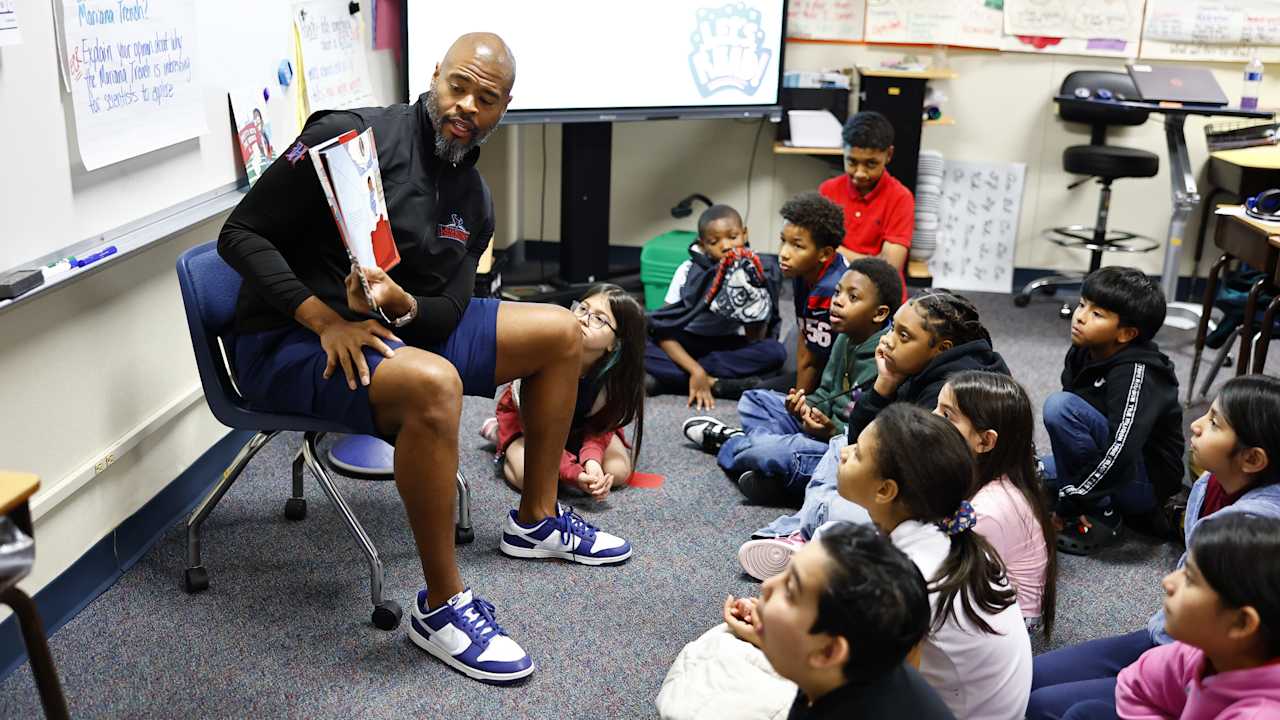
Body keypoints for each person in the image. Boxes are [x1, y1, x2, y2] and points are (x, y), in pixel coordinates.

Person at [218, 33, 632, 684]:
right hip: (292, 338)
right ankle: (441, 608)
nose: (466, 106)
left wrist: (403, 302)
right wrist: (324, 318)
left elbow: (449, 309)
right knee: (435, 384)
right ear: (434, 75)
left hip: (387, 328)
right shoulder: (347, 137)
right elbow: (238, 234)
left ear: (504, 108)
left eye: (485, 99)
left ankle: (537, 520)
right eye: (457, 86)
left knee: (561, 331)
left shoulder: (474, 199)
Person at [1027, 374, 1280, 720]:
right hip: (1177, 643)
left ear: (1251, 459)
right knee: (1029, 680)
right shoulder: (1211, 483)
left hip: (1210, 651)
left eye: (1214, 423)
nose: (1195, 425)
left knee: (1047, 707)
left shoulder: (1255, 532)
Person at [836, 404, 1033, 720]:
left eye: (857, 453)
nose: (844, 453)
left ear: (885, 490)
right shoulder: (953, 536)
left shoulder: (906, 579)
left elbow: (879, 689)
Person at [682, 258, 903, 505]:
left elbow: (867, 439)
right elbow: (825, 392)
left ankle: (737, 444)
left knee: (771, 450)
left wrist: (831, 431)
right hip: (818, 431)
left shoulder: (885, 361)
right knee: (754, 400)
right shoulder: (845, 336)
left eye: (853, 297)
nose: (838, 301)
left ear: (879, 313)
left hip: (842, 449)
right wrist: (806, 407)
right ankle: (764, 459)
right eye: (837, 292)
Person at [721, 523, 954, 720]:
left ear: (828, 651)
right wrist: (766, 632)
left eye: (790, 590)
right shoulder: (869, 661)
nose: (766, 585)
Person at [1041, 266, 1184, 555]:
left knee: (1060, 408)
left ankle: (1103, 512)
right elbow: (1076, 434)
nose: (1080, 316)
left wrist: (1074, 500)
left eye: (1097, 314)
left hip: (1143, 480)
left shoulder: (1137, 372)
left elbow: (1122, 449)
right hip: (1107, 456)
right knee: (1030, 474)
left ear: (1126, 333)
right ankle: (1085, 495)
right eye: (1082, 304)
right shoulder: (1084, 350)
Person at [481, 284, 646, 502]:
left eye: (599, 319)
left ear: (614, 344)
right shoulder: (545, 358)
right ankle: (499, 433)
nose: (584, 319)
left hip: (581, 425)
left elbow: (600, 427)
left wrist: (592, 462)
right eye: (583, 308)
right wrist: (575, 473)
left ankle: (573, 449)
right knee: (531, 478)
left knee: (619, 471)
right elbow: (540, 431)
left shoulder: (613, 379)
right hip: (529, 425)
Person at [1114, 513, 1280, 719]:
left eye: (1190, 578)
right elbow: (1134, 685)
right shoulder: (1204, 651)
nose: (1168, 582)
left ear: (1241, 623)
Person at [933, 371, 1057, 638]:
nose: (931, 418)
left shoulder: (987, 510)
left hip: (1009, 622)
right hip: (986, 593)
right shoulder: (985, 474)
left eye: (946, 415)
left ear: (985, 441)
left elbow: (945, 579)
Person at [645, 204, 786, 409]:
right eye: (714, 242)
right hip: (685, 340)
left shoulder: (755, 268)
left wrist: (754, 301)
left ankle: (672, 381)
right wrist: (696, 371)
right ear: (702, 245)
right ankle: (715, 383)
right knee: (635, 346)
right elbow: (663, 328)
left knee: (775, 352)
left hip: (722, 346)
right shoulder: (688, 272)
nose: (726, 246)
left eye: (733, 237)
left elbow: (754, 338)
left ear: (745, 234)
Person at [845, 288, 1009, 440]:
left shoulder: (945, 398)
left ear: (942, 349)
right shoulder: (915, 367)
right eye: (893, 327)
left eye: (903, 335)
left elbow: (871, 450)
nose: (887, 340)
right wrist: (885, 383)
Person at [818, 111, 914, 290]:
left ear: (889, 155)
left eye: (871, 164)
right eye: (852, 162)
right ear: (843, 151)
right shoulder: (827, 190)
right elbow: (817, 249)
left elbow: (889, 269)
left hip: (880, 293)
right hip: (836, 288)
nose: (860, 173)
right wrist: (873, 260)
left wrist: (835, 252)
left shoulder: (901, 198)